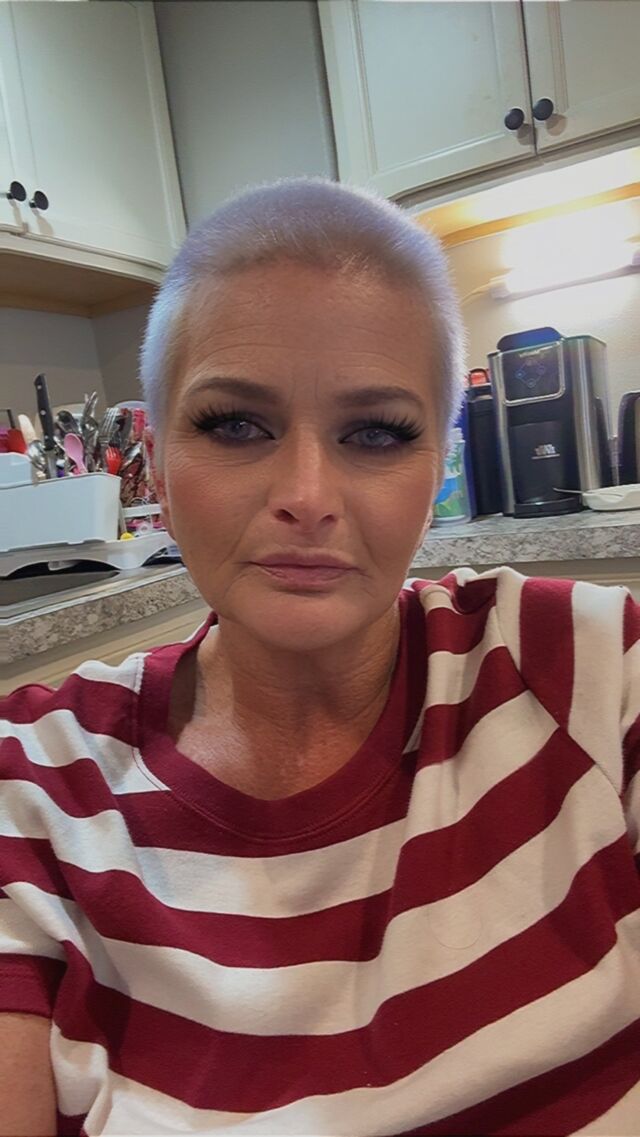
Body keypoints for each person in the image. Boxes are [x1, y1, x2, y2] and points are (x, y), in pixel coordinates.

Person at [0, 175, 638, 1137]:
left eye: (376, 433)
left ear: (437, 468)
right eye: (236, 424)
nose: (306, 493)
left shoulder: (590, 668)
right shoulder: (34, 787)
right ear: (157, 470)